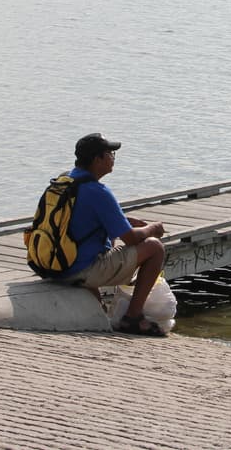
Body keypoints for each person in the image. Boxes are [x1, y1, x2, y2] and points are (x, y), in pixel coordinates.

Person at [61, 132, 168, 336]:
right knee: (154, 248)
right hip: (78, 269)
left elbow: (83, 218)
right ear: (97, 159)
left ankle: (98, 307)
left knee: (108, 240)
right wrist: (153, 229)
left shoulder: (66, 181)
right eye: (110, 153)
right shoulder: (98, 191)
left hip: (55, 264)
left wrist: (124, 222)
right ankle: (133, 318)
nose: (112, 158)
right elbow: (130, 238)